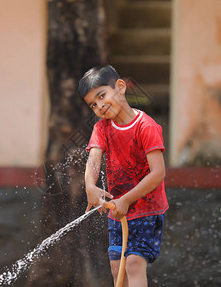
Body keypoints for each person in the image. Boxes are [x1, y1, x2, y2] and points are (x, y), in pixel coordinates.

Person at [78, 65, 169, 287]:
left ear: (120, 87)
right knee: (117, 267)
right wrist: (90, 185)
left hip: (146, 209)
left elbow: (158, 172)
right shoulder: (101, 128)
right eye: (93, 104)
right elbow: (93, 160)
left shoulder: (146, 126)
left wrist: (127, 199)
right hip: (118, 211)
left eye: (102, 96)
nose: (99, 106)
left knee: (134, 263)